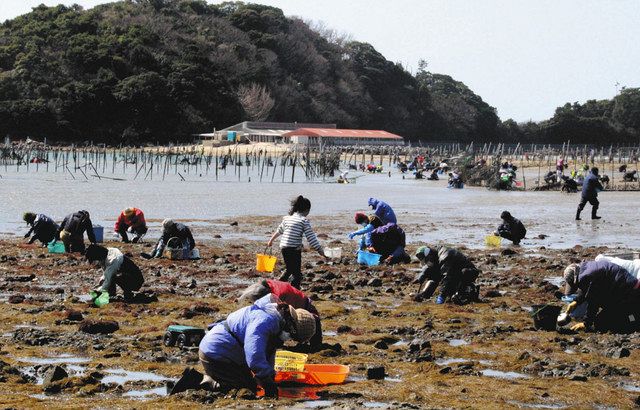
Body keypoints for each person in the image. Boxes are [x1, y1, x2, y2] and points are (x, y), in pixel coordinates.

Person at [198, 294, 316, 397]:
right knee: (245, 390)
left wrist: (270, 376)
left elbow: (268, 352)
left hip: (231, 354)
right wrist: (266, 380)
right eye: (293, 337)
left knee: (251, 385)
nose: (290, 339)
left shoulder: (278, 322)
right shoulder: (265, 321)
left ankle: (216, 379)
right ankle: (205, 382)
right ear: (292, 326)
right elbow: (254, 355)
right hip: (215, 352)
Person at [238, 279, 322, 348]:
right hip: (297, 309)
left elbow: (281, 321)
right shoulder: (268, 286)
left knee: (313, 341)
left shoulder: (278, 298)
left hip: (305, 312)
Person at [563, 261, 640, 333]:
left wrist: (586, 324)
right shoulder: (586, 268)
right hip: (628, 288)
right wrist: (576, 301)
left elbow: (593, 301)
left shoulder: (587, 276)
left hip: (630, 294)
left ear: (575, 278)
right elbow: (588, 289)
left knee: (600, 323)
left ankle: (633, 320)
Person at [268, 196, 324, 289]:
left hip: (284, 247)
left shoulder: (287, 218)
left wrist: (271, 240)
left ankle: (278, 286)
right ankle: (291, 289)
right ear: (307, 210)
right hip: (294, 249)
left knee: (289, 269)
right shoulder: (303, 221)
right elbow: (311, 237)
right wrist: (319, 249)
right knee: (296, 273)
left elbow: (279, 230)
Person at [413, 246, 481, 305]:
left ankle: (470, 291)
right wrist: (422, 275)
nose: (427, 263)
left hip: (469, 272)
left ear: (430, 256)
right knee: (436, 276)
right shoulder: (435, 256)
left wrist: (441, 296)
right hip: (455, 274)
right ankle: (425, 294)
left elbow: (447, 276)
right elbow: (432, 274)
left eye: (426, 261)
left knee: (457, 296)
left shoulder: (445, 256)